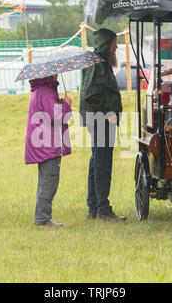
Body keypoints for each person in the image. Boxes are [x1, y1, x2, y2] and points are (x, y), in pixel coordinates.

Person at [80, 28, 126, 221]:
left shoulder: (98, 62)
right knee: (102, 164)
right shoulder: (97, 64)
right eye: (115, 43)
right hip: (101, 121)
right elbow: (91, 94)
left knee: (97, 162)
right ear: (106, 44)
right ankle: (103, 210)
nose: (116, 47)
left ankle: (94, 208)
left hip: (98, 120)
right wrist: (108, 115)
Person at [25, 75, 72, 227]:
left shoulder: (43, 90)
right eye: (55, 72)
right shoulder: (46, 92)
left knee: (46, 181)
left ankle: (42, 217)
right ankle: (43, 218)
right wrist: (66, 105)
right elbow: (56, 116)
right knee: (49, 181)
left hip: (44, 143)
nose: (57, 74)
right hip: (48, 144)